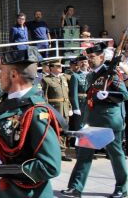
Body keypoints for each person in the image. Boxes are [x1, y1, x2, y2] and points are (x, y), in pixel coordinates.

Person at [0, 46, 61, 197]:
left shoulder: (35, 112)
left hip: (22, 193)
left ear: (14, 75)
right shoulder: (10, 98)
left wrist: (2, 170)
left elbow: (50, 166)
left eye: (2, 72)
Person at [62, 42, 128, 198]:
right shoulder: (91, 75)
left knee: (116, 156)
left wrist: (109, 96)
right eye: (88, 58)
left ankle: (122, 188)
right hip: (91, 122)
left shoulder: (112, 73)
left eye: (92, 57)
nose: (89, 61)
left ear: (102, 57)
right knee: (84, 155)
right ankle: (75, 187)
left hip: (109, 122)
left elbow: (124, 95)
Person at [41, 59, 73, 162]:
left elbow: (67, 95)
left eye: (60, 66)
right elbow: (44, 96)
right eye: (58, 66)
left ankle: (62, 152)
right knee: (54, 131)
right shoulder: (46, 80)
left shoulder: (63, 78)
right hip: (55, 109)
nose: (60, 68)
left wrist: (70, 107)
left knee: (64, 130)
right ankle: (53, 151)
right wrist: (46, 110)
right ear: (51, 68)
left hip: (65, 108)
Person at [68, 55, 89, 132]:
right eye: (81, 62)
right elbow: (73, 93)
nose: (84, 63)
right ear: (78, 64)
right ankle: (81, 143)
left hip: (92, 103)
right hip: (81, 103)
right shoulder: (75, 76)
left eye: (85, 62)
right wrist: (76, 107)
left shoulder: (92, 74)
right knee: (80, 125)